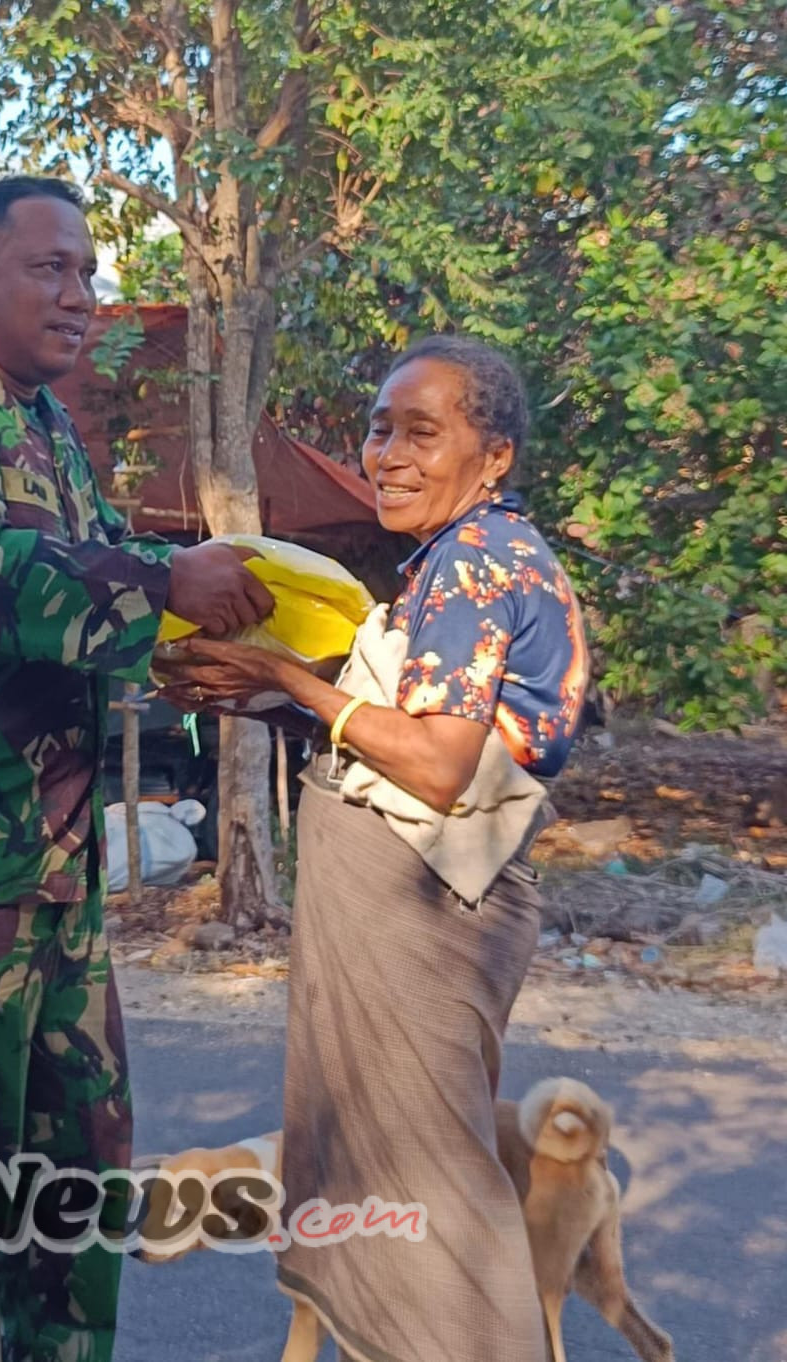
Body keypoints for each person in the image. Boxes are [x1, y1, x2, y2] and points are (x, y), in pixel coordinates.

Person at [0, 176, 273, 1362]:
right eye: (51, 269)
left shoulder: (43, 434)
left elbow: (91, 568)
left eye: (88, 271)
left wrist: (190, 627)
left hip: (58, 867)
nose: (81, 295)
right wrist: (154, 590)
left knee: (78, 1169)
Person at [160, 335, 589, 1362]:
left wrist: (296, 683)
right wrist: (268, 697)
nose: (386, 453)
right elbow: (402, 735)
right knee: (395, 1165)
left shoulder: (477, 562)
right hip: (420, 897)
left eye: (422, 432)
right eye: (379, 427)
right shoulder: (457, 561)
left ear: (493, 457)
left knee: (431, 1180)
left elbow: (440, 766)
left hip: (425, 908)